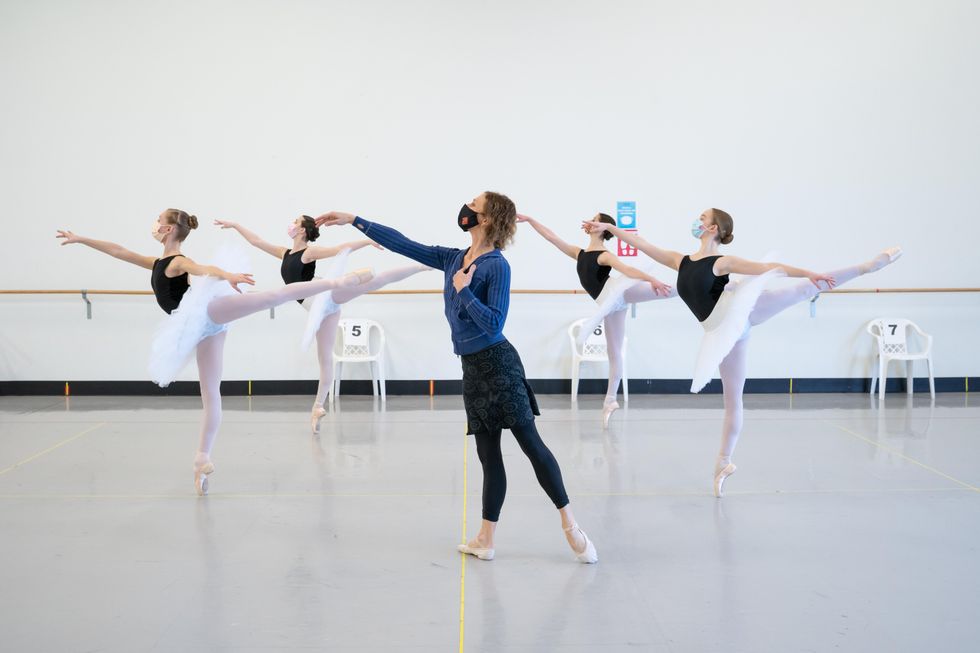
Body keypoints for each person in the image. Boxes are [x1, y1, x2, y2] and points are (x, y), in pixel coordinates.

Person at [316, 193, 598, 563]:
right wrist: (355, 219)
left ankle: (571, 525)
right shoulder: (453, 259)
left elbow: (494, 323)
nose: (466, 207)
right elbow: (404, 244)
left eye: (473, 204)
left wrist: (464, 291)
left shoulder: (497, 266)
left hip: (499, 364)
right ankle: (485, 538)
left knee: (531, 444)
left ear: (486, 219)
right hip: (473, 368)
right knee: (488, 455)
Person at [586, 208, 901, 496]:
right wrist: (608, 228)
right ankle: (723, 463)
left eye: (702, 218)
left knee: (804, 289)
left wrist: (809, 272)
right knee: (732, 400)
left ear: (712, 228)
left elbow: (770, 268)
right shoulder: (680, 261)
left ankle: (867, 266)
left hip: (740, 313)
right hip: (721, 334)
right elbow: (642, 244)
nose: (697, 221)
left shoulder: (722, 262)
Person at [57, 208, 373, 495]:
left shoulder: (177, 261)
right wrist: (81, 239)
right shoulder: (157, 262)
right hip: (201, 330)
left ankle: (338, 283)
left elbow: (202, 267)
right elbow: (119, 251)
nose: (154, 225)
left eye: (158, 221)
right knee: (210, 393)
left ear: (168, 230)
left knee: (270, 297)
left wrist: (227, 275)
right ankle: (202, 459)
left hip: (208, 312)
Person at [517, 212, 674, 426]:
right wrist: (530, 220)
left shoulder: (604, 255)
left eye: (595, 220)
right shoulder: (579, 253)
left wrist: (652, 279)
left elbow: (627, 269)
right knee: (614, 352)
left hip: (617, 293)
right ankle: (610, 400)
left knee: (669, 291)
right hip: (609, 305)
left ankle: (701, 285)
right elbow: (552, 237)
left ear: (602, 227)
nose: (589, 222)